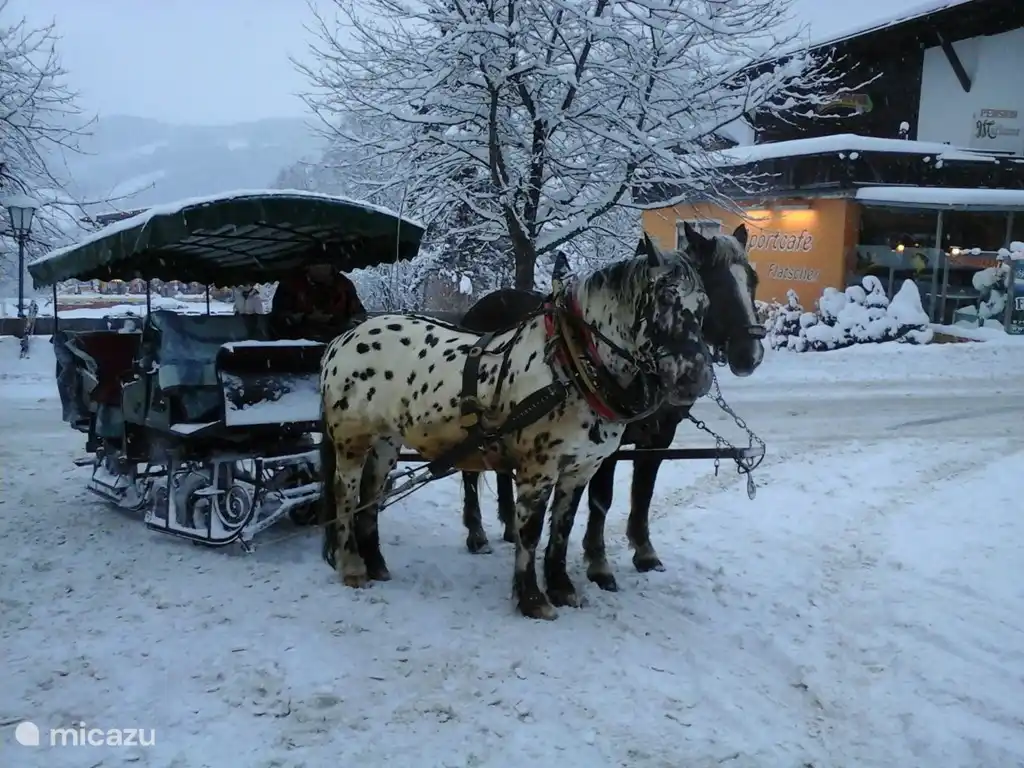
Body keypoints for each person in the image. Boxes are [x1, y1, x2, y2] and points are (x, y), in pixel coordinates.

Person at [270, 263, 366, 342]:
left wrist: (347, 323)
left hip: (338, 339)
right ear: (307, 267)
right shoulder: (291, 284)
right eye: (317, 264)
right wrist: (305, 318)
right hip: (300, 341)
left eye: (326, 264)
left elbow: (358, 313)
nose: (322, 268)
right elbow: (278, 318)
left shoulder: (343, 284)